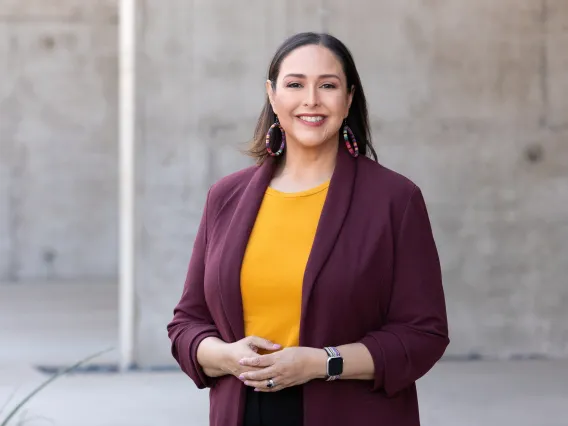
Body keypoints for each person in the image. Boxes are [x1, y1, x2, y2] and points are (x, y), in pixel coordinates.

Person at [167, 32, 449, 426]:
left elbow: (423, 334)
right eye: (295, 84)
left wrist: (322, 363)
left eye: (328, 86)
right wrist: (227, 356)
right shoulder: (225, 197)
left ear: (349, 97)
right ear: (272, 94)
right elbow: (187, 325)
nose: (311, 100)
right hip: (243, 412)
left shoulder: (395, 199)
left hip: (350, 413)